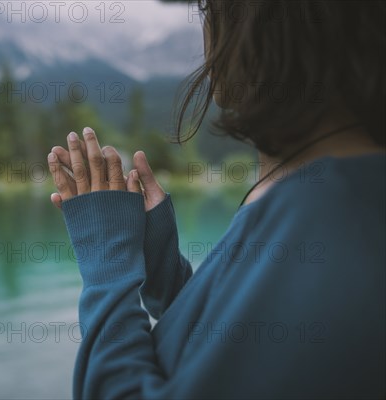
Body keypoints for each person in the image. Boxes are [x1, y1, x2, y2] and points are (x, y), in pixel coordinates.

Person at [46, 0, 385, 398]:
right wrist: (164, 272)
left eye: (209, 9)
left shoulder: (323, 219)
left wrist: (107, 267)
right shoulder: (330, 196)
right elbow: (238, 353)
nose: (206, 35)